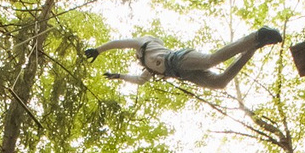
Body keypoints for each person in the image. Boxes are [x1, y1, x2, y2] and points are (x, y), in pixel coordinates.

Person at [85, 26, 282, 90]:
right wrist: (118, 76)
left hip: (179, 59)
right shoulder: (149, 68)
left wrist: (98, 50)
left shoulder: (145, 44)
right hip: (184, 73)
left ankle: (256, 35)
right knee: (220, 82)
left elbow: (121, 43)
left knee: (210, 60)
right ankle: (256, 46)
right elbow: (139, 80)